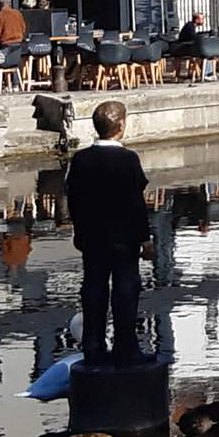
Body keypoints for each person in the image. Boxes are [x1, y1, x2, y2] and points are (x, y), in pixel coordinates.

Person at [64, 101, 153, 367]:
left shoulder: (81, 159)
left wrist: (79, 230)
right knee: (126, 289)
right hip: (123, 238)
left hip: (92, 238)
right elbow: (136, 203)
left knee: (93, 289)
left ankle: (93, 346)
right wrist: (145, 239)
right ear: (121, 126)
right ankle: (126, 347)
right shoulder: (128, 159)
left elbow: (73, 200)